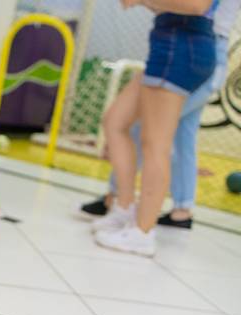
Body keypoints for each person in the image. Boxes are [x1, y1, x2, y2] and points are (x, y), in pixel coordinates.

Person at [82, 0, 240, 230]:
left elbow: (197, 6)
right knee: (170, 135)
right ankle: (172, 209)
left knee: (150, 135)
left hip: (193, 42)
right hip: (183, 39)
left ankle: (131, 215)